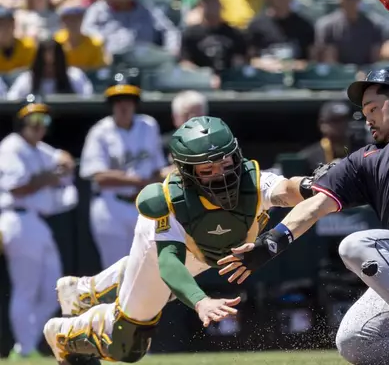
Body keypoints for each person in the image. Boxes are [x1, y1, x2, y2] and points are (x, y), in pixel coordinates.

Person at [218, 0, 389, 364]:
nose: (365, 118)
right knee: (354, 343)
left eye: (372, 108)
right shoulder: (361, 160)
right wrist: (270, 244)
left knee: (355, 244)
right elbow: (314, 206)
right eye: (362, 112)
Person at [45, 116, 325, 364]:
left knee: (146, 286)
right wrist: (200, 301)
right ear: (186, 172)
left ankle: (86, 289)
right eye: (207, 170)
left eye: (226, 163)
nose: (222, 176)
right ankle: (63, 335)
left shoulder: (251, 181)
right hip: (169, 253)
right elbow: (168, 262)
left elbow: (285, 190)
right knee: (128, 345)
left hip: (201, 253)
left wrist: (309, 186)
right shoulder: (170, 202)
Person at [0, 95, 76, 359]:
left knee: (53, 289)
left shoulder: (39, 149)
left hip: (37, 222)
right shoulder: (12, 146)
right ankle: (25, 348)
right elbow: (18, 186)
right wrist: (53, 175)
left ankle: (24, 345)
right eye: (33, 118)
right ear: (22, 122)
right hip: (16, 218)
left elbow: (62, 157)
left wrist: (64, 159)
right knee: (26, 289)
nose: (39, 124)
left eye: (43, 119)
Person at [79, 72, 166, 268]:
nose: (123, 105)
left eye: (128, 99)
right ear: (111, 104)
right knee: (116, 270)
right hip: (112, 207)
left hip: (142, 206)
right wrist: (139, 180)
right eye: (118, 100)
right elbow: (99, 176)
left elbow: (157, 169)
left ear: (135, 102)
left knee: (146, 268)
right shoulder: (100, 131)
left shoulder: (148, 125)